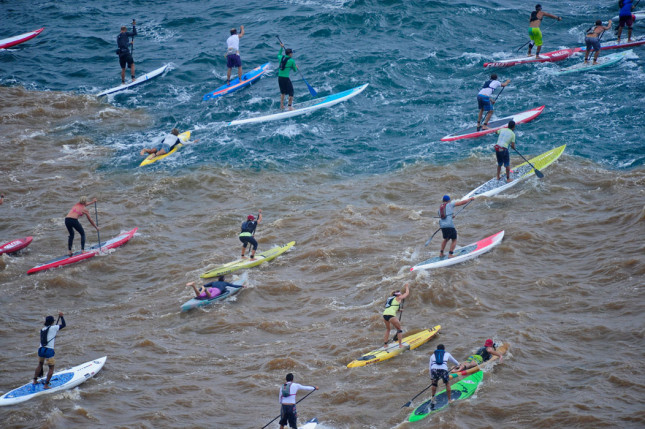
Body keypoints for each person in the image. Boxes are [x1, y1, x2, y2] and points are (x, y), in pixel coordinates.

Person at [33, 312, 66, 389]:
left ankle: (34, 381)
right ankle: (46, 385)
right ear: (52, 322)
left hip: (41, 349)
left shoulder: (42, 329)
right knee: (51, 368)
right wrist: (61, 317)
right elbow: (64, 325)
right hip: (48, 351)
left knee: (40, 364)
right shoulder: (54, 328)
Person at [382, 283, 410, 349]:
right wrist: (406, 287)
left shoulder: (390, 298)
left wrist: (399, 310)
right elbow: (406, 294)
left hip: (385, 314)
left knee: (388, 329)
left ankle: (385, 345)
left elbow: (392, 307)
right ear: (398, 295)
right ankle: (400, 345)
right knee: (399, 329)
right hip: (391, 315)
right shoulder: (398, 297)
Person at [277, 43, 298, 110]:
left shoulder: (281, 58)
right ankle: (290, 106)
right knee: (291, 92)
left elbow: (279, 54)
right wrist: (296, 67)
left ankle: (282, 106)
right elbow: (294, 70)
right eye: (292, 53)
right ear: (290, 54)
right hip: (286, 78)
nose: (292, 54)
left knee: (282, 92)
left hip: (279, 78)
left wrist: (281, 48)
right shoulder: (292, 60)